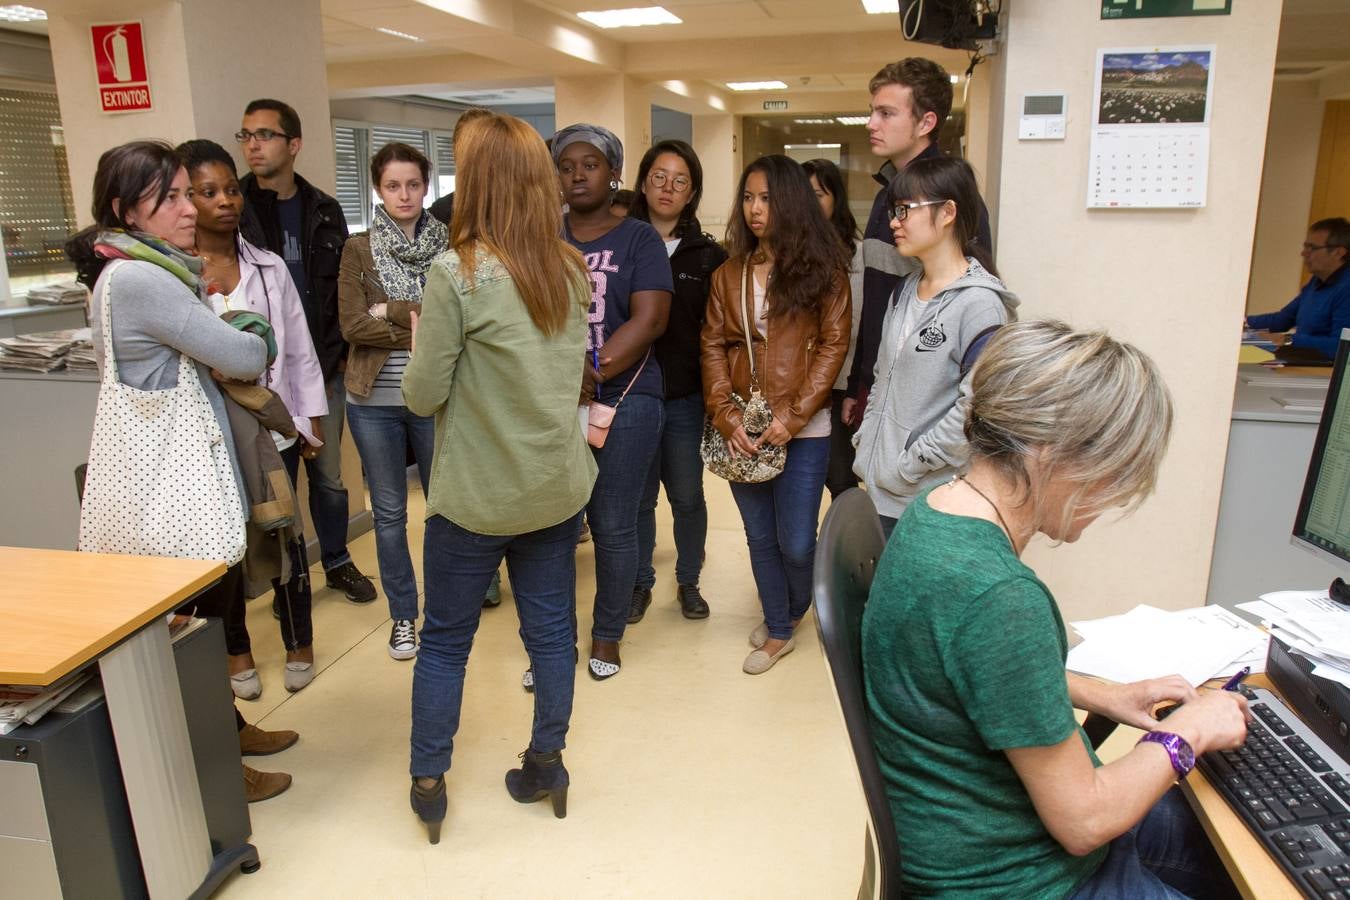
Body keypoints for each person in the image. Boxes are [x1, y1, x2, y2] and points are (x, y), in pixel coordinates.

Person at [863, 319, 1249, 898]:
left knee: (1239, 845)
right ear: (1052, 454)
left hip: (971, 840)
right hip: (1018, 881)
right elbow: (1083, 821)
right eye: (1112, 474)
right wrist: (1191, 729)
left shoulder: (933, 514)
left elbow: (960, 670)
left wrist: (1103, 693)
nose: (1114, 495)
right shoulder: (999, 594)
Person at [66, 140, 297, 802]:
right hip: (174, 490)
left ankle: (227, 727)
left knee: (210, 615)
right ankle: (216, 765)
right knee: (190, 635)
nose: (188, 208)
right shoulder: (139, 279)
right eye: (166, 197)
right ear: (124, 210)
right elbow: (243, 353)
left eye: (184, 193)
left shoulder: (155, 269)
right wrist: (236, 315)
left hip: (189, 481)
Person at [404, 111, 596, 844]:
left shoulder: (458, 274)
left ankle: (428, 783)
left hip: (477, 498)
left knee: (446, 642)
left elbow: (422, 396)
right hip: (553, 487)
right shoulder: (568, 267)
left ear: (477, 182)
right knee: (551, 634)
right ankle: (547, 762)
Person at [179, 138, 328, 696]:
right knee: (226, 547)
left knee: (284, 534)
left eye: (231, 190)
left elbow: (299, 352)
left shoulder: (267, 268)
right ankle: (236, 653)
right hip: (208, 437)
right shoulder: (175, 277)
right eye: (208, 192)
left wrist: (310, 423)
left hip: (271, 429)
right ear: (185, 199)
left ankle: (299, 643)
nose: (226, 202)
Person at [338, 142, 488, 663]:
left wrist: (391, 309)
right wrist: (422, 323)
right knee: (387, 513)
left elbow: (462, 320)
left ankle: (446, 608)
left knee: (444, 507)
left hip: (438, 396)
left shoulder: (452, 245)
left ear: (427, 187)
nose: (404, 194)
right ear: (378, 190)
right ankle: (404, 616)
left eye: (413, 184)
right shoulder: (357, 249)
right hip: (373, 400)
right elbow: (352, 325)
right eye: (392, 185)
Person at [702, 154, 850, 675]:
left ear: (789, 202)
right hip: (744, 426)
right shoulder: (728, 274)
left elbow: (834, 346)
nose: (754, 209)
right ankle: (781, 627)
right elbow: (713, 347)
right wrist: (726, 416)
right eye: (748, 198)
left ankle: (793, 606)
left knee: (794, 540)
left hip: (804, 430)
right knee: (759, 536)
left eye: (765, 198)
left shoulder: (825, 270)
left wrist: (792, 418)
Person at [237, 98, 377, 605]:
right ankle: (288, 581)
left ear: (293, 145)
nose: (253, 144)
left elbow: (345, 287)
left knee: (329, 475)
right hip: (260, 376)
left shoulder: (323, 209)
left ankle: (337, 562)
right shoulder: (237, 209)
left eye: (265, 135)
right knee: (278, 478)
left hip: (322, 365)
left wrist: (339, 355)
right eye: (247, 135)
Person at [553, 123, 672, 681]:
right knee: (551, 527)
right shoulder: (541, 237)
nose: (577, 174)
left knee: (613, 524)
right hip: (549, 404)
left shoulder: (638, 240)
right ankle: (552, 647)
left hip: (627, 399)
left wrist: (592, 371)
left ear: (614, 173)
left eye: (590, 164)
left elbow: (650, 319)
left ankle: (606, 635)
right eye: (567, 166)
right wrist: (561, 377)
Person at [852, 156, 1018, 537]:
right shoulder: (905, 291)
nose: (894, 222)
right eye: (894, 211)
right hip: (882, 490)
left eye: (904, 210)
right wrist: (868, 446)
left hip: (930, 498)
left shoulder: (980, 304)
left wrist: (909, 464)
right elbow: (882, 377)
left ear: (947, 213)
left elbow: (976, 410)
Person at [844, 58, 994, 434]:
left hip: (925, 395)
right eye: (871, 112)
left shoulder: (950, 198)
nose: (871, 124)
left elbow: (966, 298)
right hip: (878, 379)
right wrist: (857, 383)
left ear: (926, 122)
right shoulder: (886, 197)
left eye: (886, 113)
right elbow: (876, 295)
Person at [629, 139, 727, 622]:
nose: (668, 188)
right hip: (629, 395)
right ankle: (639, 582)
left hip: (686, 398)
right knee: (639, 498)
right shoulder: (620, 241)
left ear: (692, 194)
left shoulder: (708, 257)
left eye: (680, 181)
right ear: (643, 181)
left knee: (687, 495)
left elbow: (719, 332)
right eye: (659, 177)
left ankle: (688, 580)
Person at [802, 158, 864, 499]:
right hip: (794, 385)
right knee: (802, 484)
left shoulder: (858, 256)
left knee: (840, 477)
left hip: (840, 382)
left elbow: (857, 323)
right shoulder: (782, 252)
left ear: (835, 199)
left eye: (819, 194)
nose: (811, 204)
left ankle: (846, 549)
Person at [1245, 217, 1350, 360]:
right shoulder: (1316, 282)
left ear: (1338, 252)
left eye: (1311, 248)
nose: (1303, 253)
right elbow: (1282, 320)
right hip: (1304, 364)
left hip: (1324, 375)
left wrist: (1287, 340)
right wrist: (1241, 322)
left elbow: (1341, 346)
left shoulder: (1346, 289)